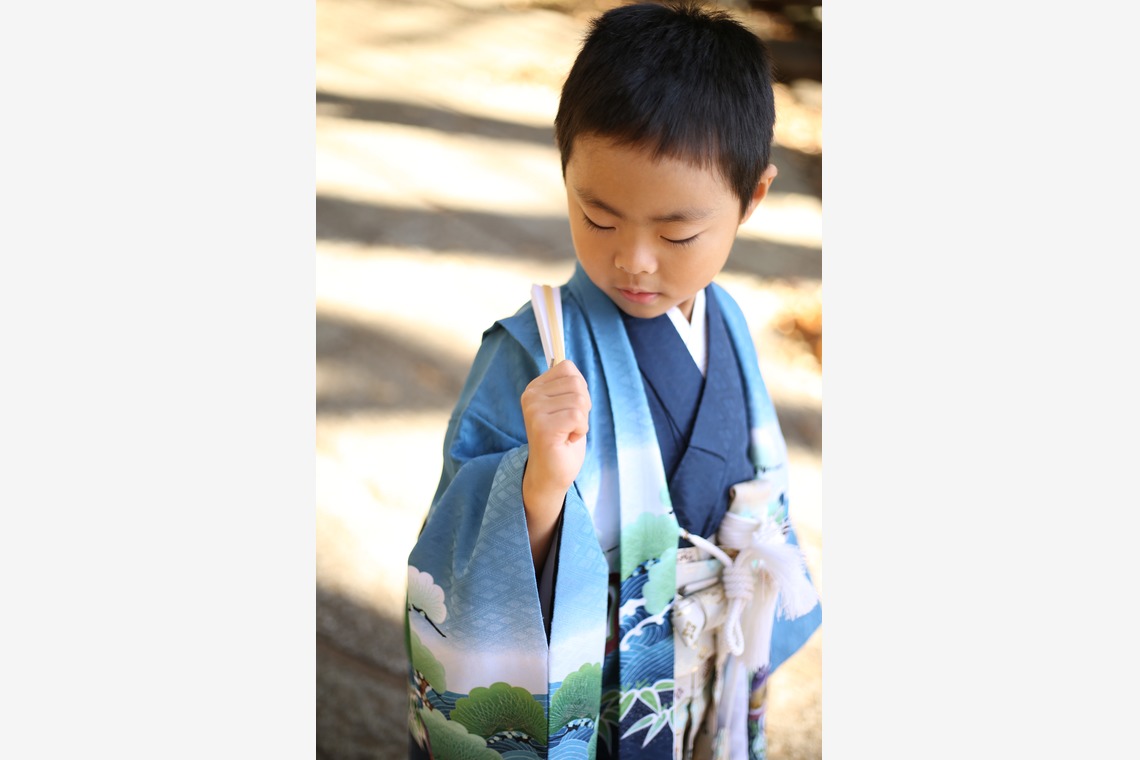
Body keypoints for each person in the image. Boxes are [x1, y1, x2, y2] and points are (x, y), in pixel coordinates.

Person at [405, 2, 821, 758]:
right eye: (599, 218)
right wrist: (538, 485)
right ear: (566, 174)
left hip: (707, 678)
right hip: (600, 694)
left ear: (751, 199)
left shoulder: (724, 318)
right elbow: (460, 553)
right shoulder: (534, 354)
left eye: (677, 233)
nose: (634, 258)